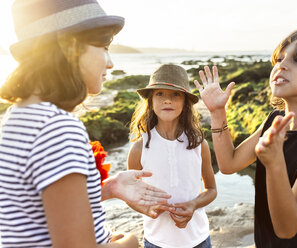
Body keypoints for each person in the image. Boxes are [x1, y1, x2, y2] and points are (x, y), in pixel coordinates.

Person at [0, 0, 171, 247]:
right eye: (103, 46)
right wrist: (129, 243)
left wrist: (110, 188)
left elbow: (36, 214)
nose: (110, 62)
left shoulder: (17, 118)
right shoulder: (57, 128)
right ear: (70, 46)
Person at [194, 28, 297, 248]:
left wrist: (274, 162)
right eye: (279, 58)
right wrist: (218, 113)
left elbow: (287, 229)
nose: (281, 65)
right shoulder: (274, 121)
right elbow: (229, 164)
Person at [127, 64, 217, 248]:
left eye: (175, 94)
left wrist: (194, 204)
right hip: (157, 242)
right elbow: (131, 196)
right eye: (160, 94)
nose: (167, 100)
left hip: (198, 240)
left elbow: (211, 190)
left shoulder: (199, 144)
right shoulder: (139, 148)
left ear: (185, 102)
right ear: (151, 101)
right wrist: (149, 208)